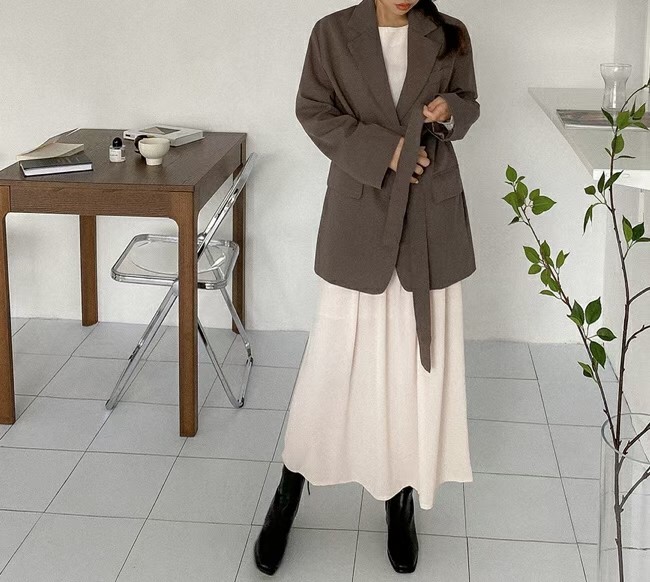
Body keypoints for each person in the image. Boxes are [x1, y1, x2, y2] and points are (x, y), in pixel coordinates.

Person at [255, 0, 480, 575]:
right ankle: (290, 488)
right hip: (361, 210)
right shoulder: (332, 33)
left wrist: (449, 111)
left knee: (413, 369)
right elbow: (313, 110)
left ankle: (399, 496)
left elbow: (469, 103)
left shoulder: (449, 33)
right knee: (333, 363)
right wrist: (389, 150)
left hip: (428, 214)